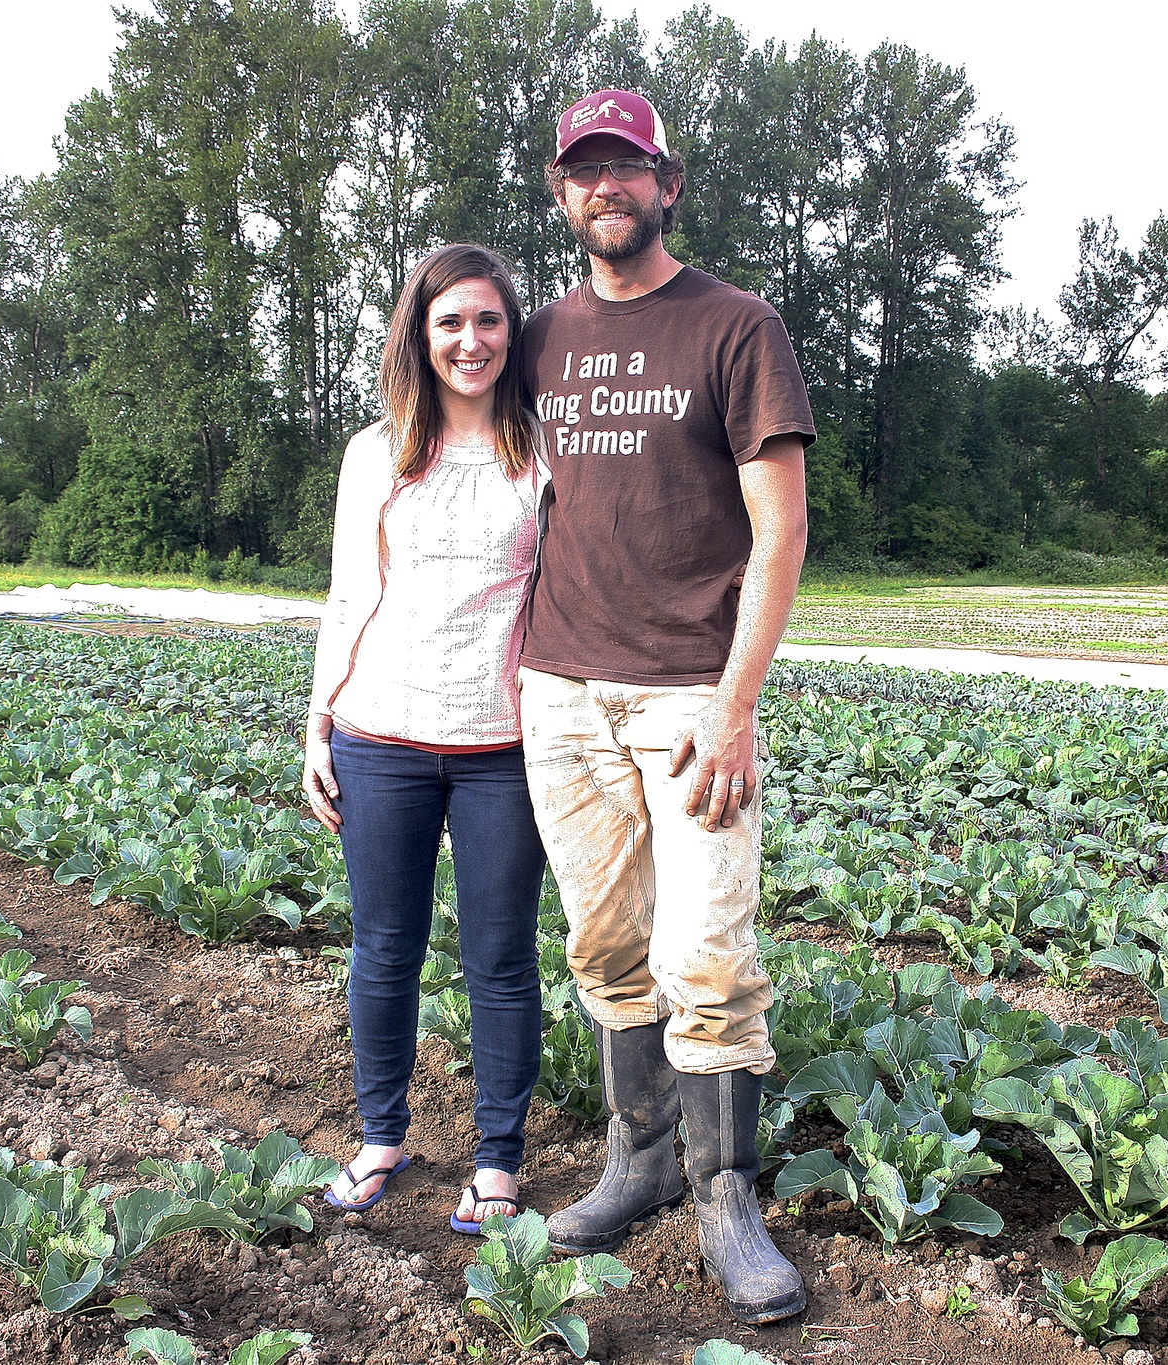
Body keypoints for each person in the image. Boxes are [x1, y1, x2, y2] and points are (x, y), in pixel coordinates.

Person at [516, 89, 814, 1324]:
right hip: (560, 692)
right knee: (602, 946)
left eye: (625, 167)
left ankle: (722, 1193)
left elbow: (779, 529)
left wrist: (736, 705)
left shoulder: (735, 326)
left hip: (692, 695)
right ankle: (636, 1162)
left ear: (665, 182)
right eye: (584, 171)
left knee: (708, 956)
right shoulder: (538, 337)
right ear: (560, 192)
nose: (607, 188)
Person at [303, 242, 547, 1235]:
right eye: (450, 322)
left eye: (488, 320)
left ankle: (497, 1161)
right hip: (380, 736)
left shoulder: (542, 449)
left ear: (511, 332)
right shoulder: (376, 451)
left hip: (503, 746)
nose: (470, 340)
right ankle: (380, 1139)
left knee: (500, 956)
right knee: (384, 948)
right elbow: (346, 595)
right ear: (421, 334)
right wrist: (317, 723)